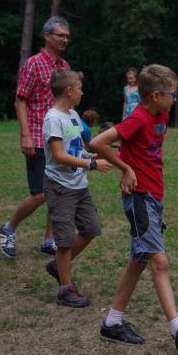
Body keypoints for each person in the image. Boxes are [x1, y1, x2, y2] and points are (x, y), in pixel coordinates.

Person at [89, 64, 178, 354]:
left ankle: (112, 322)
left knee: (139, 260)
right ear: (156, 95)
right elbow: (97, 142)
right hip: (140, 198)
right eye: (172, 94)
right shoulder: (138, 118)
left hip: (154, 196)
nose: (175, 99)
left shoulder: (162, 114)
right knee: (160, 262)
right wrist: (126, 168)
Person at [0, 16, 72, 258]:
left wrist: (74, 134)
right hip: (38, 138)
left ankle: (48, 240)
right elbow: (20, 100)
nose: (65, 39)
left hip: (60, 139)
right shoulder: (33, 64)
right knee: (40, 193)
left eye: (67, 36)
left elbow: (67, 104)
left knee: (58, 189)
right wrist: (25, 135)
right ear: (47, 36)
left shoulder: (65, 67)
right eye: (60, 35)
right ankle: (8, 229)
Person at [41, 70, 111, 307]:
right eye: (79, 88)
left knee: (91, 229)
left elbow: (75, 147)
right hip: (60, 187)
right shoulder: (53, 118)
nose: (82, 92)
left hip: (79, 185)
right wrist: (91, 164)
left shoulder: (72, 115)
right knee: (64, 241)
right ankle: (65, 289)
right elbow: (59, 156)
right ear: (69, 91)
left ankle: (58, 266)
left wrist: (89, 154)